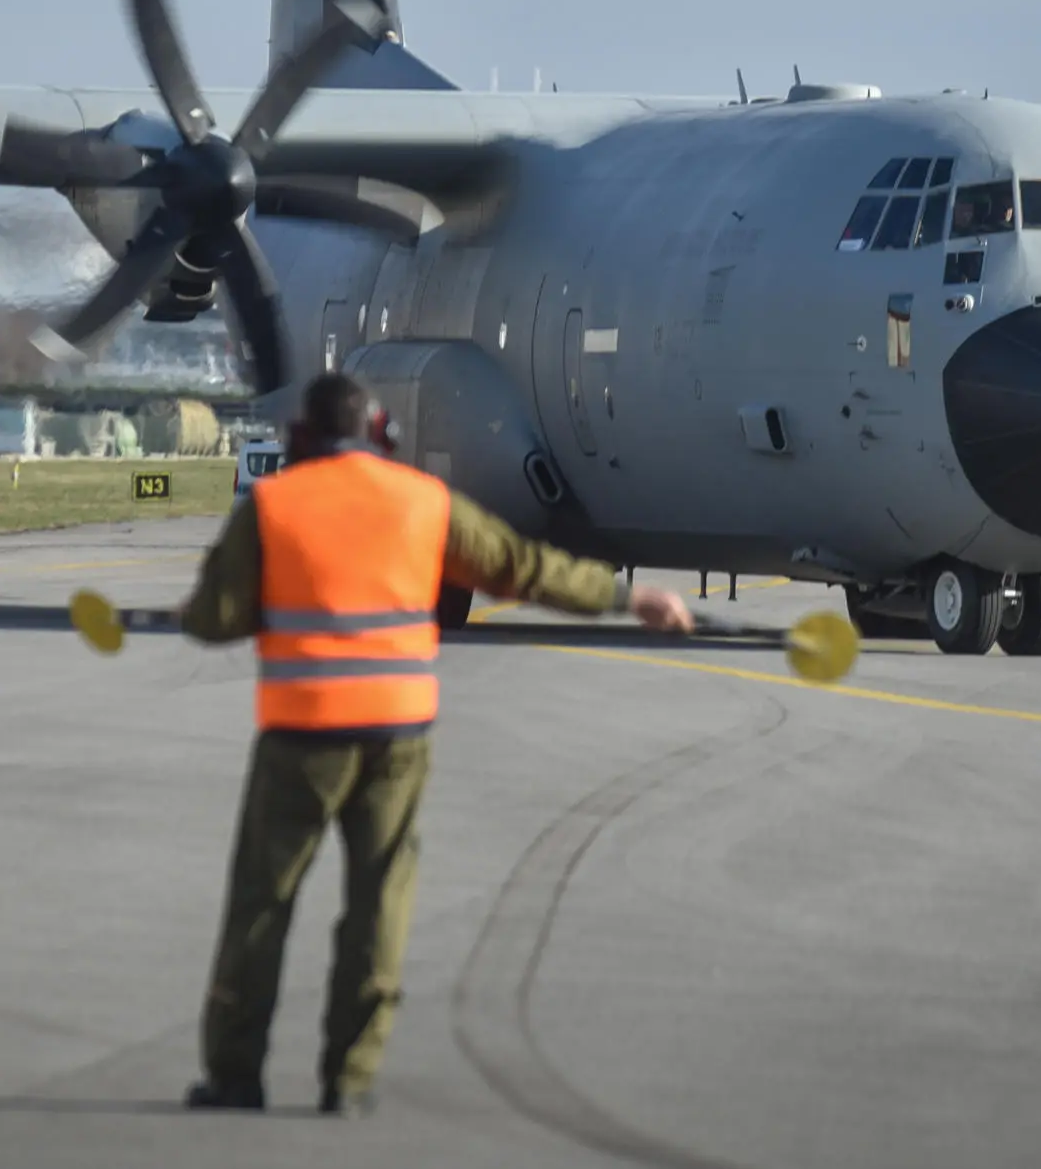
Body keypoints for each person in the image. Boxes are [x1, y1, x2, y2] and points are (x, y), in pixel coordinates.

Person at [177, 371, 693, 1116]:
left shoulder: (274, 505)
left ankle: (235, 1076)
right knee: (379, 900)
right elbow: (523, 567)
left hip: (301, 734)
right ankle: (351, 1078)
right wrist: (626, 596)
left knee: (263, 902)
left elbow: (213, 618)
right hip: (396, 736)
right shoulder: (425, 501)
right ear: (380, 432)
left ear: (303, 437)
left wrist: (229, 603)